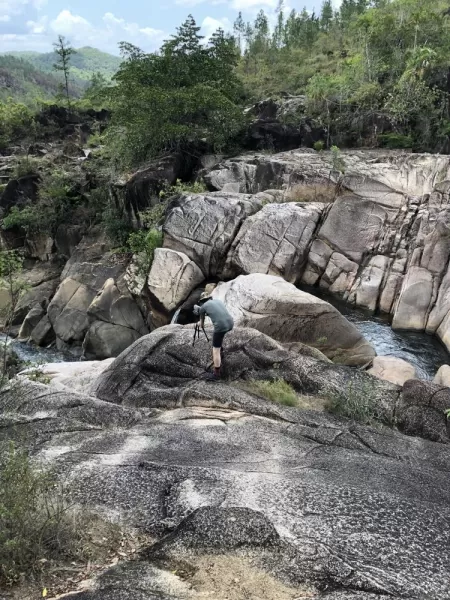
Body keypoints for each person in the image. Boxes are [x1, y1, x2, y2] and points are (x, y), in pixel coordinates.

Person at [193, 292, 234, 380]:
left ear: (201, 301)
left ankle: (216, 374)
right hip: (230, 324)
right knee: (220, 334)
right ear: (210, 298)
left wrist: (200, 317)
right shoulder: (218, 301)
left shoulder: (203, 307)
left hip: (221, 326)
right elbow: (217, 313)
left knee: (215, 350)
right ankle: (221, 351)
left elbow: (202, 325)